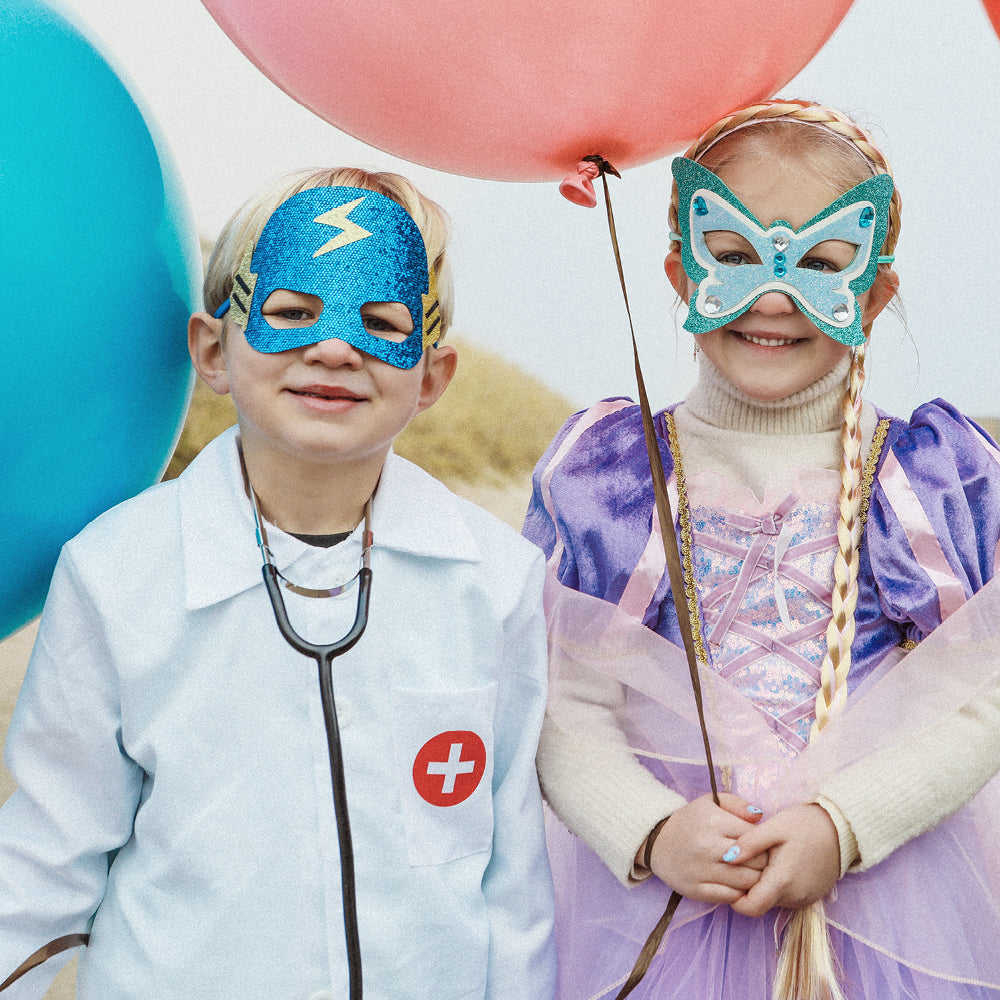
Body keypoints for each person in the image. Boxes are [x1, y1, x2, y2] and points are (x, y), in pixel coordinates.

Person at [0, 167, 556, 998]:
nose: (334, 347)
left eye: (381, 321)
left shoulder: (496, 583)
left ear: (431, 378)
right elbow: (45, 859)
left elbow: (513, 881)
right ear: (211, 351)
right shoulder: (117, 575)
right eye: (291, 313)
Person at [523, 100, 1000, 999]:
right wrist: (651, 829)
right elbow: (558, 703)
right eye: (734, 255)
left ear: (875, 290)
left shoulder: (929, 477)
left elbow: (983, 697)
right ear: (676, 268)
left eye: (822, 264)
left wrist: (847, 823)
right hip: (669, 909)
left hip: (894, 908)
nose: (773, 297)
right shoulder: (612, 476)